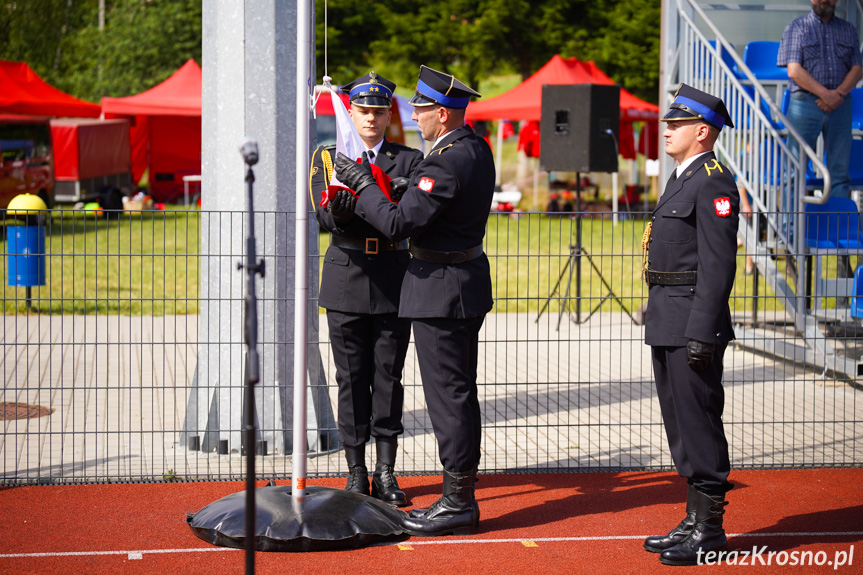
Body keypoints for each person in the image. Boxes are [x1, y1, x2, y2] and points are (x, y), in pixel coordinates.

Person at [333, 65, 495, 536]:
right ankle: (459, 494)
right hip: (462, 280)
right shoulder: (474, 147)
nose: (415, 116)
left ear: (442, 114)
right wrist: (403, 188)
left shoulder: (443, 158)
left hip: (441, 288)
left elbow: (401, 224)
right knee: (460, 394)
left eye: (421, 109)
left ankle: (457, 501)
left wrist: (364, 186)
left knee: (449, 398)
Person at [309, 72, 423, 507]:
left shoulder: (409, 160)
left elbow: (408, 215)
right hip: (346, 275)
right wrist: (349, 212)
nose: (371, 118)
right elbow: (325, 219)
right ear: (350, 112)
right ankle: (356, 472)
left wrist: (365, 201)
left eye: (379, 111)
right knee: (351, 380)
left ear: (388, 113)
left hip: (394, 275)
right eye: (363, 111)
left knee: (388, 378)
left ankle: (386, 472)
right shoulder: (327, 157)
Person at [642, 84, 739, 566]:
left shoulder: (713, 180)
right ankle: (692, 518)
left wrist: (704, 330)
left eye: (676, 124)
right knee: (680, 423)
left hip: (691, 323)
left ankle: (711, 528)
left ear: (702, 132)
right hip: (667, 315)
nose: (667, 129)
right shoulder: (682, 175)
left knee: (699, 422)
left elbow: (718, 266)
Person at [778, 0, 862, 203]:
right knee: (794, 171)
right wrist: (826, 94)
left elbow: (858, 68)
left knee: (840, 174)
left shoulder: (848, 29)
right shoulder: (797, 27)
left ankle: (836, 229)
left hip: (840, 106)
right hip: (805, 104)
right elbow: (794, 70)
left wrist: (837, 94)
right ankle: (790, 231)